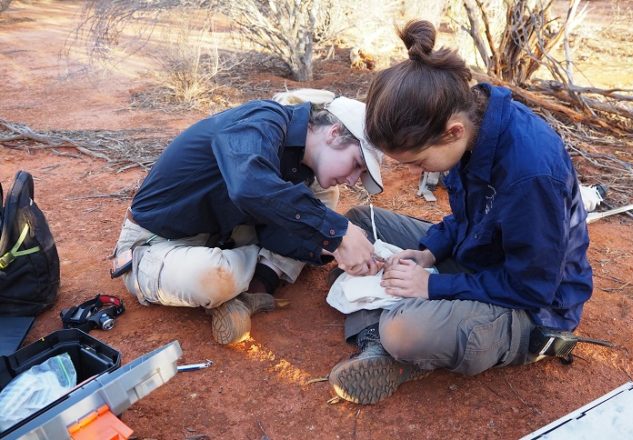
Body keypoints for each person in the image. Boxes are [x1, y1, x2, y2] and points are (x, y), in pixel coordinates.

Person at [327, 20, 593, 404]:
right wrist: (429, 253)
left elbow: (532, 286)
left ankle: (387, 343)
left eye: (419, 161)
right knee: (355, 224)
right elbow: (470, 219)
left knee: (403, 331)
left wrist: (433, 286)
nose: (420, 173)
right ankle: (385, 334)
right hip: (479, 261)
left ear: (451, 131)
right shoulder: (473, 127)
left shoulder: (530, 174)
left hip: (531, 309)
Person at [113, 94, 384, 345]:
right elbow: (248, 186)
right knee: (210, 278)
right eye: (356, 164)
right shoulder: (262, 120)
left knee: (322, 195)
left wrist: (327, 246)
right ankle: (253, 274)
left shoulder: (302, 164)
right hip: (157, 242)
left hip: (228, 235)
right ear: (334, 133)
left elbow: (269, 223)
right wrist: (336, 232)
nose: (352, 180)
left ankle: (256, 286)